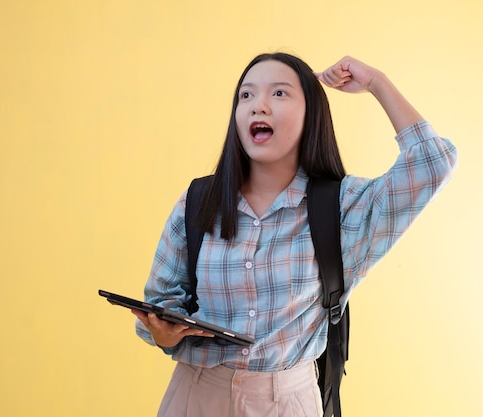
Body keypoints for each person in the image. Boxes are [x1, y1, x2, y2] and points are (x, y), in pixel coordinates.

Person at [132, 53, 457, 417]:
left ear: (310, 114)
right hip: (194, 395)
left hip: (286, 403)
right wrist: (162, 332)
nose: (259, 106)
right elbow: (161, 302)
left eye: (280, 94)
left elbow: (433, 163)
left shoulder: (342, 208)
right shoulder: (198, 201)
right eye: (246, 96)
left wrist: (375, 82)